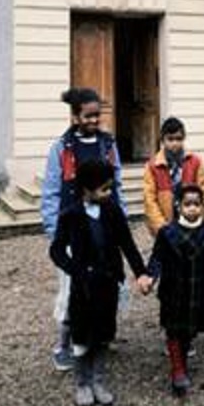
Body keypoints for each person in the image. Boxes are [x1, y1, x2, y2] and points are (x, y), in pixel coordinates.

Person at [49, 159, 150, 406]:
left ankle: (98, 380)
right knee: (82, 336)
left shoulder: (112, 211)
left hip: (108, 285)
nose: (109, 193)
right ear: (86, 189)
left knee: (104, 334)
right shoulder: (70, 216)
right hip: (83, 289)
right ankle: (82, 383)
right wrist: (76, 270)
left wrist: (141, 273)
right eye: (104, 189)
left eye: (110, 188)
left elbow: (127, 244)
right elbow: (57, 251)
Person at [41, 87, 127, 371]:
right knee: (72, 291)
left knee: (107, 284)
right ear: (75, 116)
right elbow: (51, 192)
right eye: (88, 116)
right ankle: (63, 345)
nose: (94, 120)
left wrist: (120, 223)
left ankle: (100, 336)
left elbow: (118, 187)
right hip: (75, 233)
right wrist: (55, 233)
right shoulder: (62, 149)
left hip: (103, 231)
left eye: (97, 115)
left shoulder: (108, 145)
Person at [140, 184, 204, 396]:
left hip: (197, 288)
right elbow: (157, 258)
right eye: (188, 204)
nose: (192, 209)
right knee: (174, 329)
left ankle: (182, 361)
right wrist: (150, 276)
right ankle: (177, 370)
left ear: (203, 206)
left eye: (197, 204)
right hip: (174, 290)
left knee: (188, 331)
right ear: (178, 206)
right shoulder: (168, 233)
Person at [143, 117, 204, 237]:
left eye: (178, 139)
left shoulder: (195, 162)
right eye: (170, 139)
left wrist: (196, 219)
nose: (175, 143)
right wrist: (162, 228)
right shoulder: (153, 166)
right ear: (162, 140)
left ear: (183, 139)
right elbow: (149, 200)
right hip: (165, 224)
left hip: (191, 222)